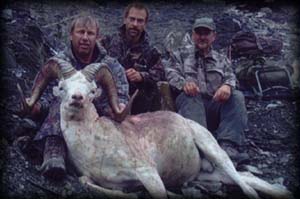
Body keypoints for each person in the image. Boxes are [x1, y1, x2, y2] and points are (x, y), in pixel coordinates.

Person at [19, 15, 129, 180]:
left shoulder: (111, 66)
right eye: (81, 32)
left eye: (90, 33)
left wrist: (117, 109)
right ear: (71, 34)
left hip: (99, 121)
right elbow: (48, 94)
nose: (85, 37)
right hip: (66, 116)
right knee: (63, 100)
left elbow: (120, 97)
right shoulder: (59, 63)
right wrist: (36, 106)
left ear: (97, 37)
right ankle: (54, 153)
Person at [165, 17, 249, 165]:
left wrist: (227, 86)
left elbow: (232, 77)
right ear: (193, 35)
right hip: (189, 111)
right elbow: (170, 73)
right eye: (199, 32)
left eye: (206, 33)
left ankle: (228, 146)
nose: (202, 37)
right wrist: (184, 84)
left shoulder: (222, 59)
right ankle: (202, 149)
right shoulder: (179, 55)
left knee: (237, 96)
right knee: (190, 96)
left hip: (213, 107)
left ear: (214, 36)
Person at [101, 2, 164, 114]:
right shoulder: (107, 42)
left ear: (145, 24)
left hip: (138, 102)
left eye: (140, 21)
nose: (135, 24)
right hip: (110, 98)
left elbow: (161, 72)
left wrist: (141, 76)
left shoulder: (151, 50)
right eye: (132, 19)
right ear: (125, 19)